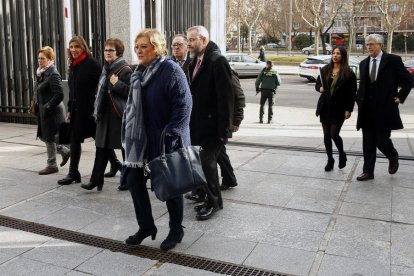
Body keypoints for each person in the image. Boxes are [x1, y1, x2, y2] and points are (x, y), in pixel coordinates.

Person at [123, 29, 192, 251]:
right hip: (141, 142)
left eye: (144, 46)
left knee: (171, 187)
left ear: (157, 47)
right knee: (134, 182)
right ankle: (146, 227)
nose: (139, 50)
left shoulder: (170, 69)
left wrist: (172, 132)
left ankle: (176, 229)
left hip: (165, 140)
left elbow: (184, 104)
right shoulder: (138, 74)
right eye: (137, 46)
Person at [186, 25, 234, 220]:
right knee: (200, 164)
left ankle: (214, 203)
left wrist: (225, 128)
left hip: (213, 127)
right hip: (198, 124)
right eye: (187, 40)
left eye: (191, 40)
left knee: (208, 164)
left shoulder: (217, 60)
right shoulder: (196, 60)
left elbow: (226, 97)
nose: (188, 44)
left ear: (203, 40)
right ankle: (209, 198)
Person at [355, 34, 412, 181]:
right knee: (367, 142)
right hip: (366, 110)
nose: (368, 47)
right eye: (367, 44)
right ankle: (368, 171)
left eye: (372, 44)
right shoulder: (363, 63)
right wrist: (358, 99)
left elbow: (408, 80)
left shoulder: (392, 60)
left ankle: (392, 155)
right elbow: (363, 87)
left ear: (380, 45)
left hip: (385, 109)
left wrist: (400, 96)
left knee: (381, 140)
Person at [81, 38, 132, 191]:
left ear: (119, 53)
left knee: (125, 149)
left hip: (118, 115)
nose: (108, 53)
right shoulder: (106, 69)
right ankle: (96, 180)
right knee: (101, 147)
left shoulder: (125, 69)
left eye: (111, 50)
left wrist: (117, 84)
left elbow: (131, 93)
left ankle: (127, 180)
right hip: (104, 114)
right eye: (106, 50)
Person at [57, 36, 101, 185]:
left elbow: (101, 86)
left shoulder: (92, 64)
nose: (74, 50)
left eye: (77, 47)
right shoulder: (74, 65)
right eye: (71, 47)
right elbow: (73, 90)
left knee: (101, 140)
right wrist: (69, 108)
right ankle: (73, 172)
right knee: (75, 139)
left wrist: (97, 107)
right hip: (77, 111)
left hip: (90, 111)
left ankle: (116, 164)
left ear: (83, 48)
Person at [315, 46, 357, 171]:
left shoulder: (349, 73)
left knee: (334, 133)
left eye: (338, 53)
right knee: (326, 135)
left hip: (339, 108)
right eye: (334, 53)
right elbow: (318, 84)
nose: (335, 55)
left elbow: (352, 93)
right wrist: (319, 88)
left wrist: (349, 109)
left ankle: (342, 154)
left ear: (343, 56)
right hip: (325, 106)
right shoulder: (325, 69)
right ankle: (330, 159)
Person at [35, 46, 70, 175]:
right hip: (45, 110)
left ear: (50, 59)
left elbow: (59, 94)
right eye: (38, 58)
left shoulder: (53, 73)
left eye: (42, 58)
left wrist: (47, 106)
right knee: (45, 136)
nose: (39, 60)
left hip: (52, 110)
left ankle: (52, 164)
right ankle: (64, 152)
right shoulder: (42, 72)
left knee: (49, 137)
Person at [219, 69, 245, 190]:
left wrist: (237, 120)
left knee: (217, 152)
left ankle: (228, 179)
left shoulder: (226, 71)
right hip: (213, 121)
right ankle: (229, 179)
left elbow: (239, 97)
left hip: (223, 121)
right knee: (220, 153)